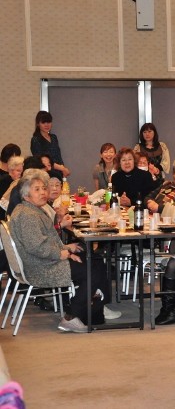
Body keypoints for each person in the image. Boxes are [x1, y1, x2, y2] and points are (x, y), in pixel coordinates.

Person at [9, 169, 109, 333]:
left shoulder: (30, 209)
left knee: (95, 259)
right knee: (91, 269)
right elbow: (37, 247)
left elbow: (43, 241)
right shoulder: (27, 215)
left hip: (43, 260)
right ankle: (72, 316)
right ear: (26, 195)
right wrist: (64, 253)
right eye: (37, 189)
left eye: (43, 188)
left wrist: (66, 247)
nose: (43, 192)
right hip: (42, 267)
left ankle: (95, 311)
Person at [146, 157, 175, 326]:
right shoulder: (166, 185)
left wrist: (159, 207)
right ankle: (168, 308)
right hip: (171, 237)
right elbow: (148, 197)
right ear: (174, 173)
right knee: (173, 263)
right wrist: (150, 202)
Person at [29, 110, 70, 178]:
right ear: (38, 124)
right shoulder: (35, 140)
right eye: (43, 122)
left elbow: (58, 156)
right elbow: (41, 161)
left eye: (48, 122)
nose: (46, 125)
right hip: (45, 173)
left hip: (59, 172)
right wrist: (61, 168)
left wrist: (63, 169)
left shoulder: (54, 137)